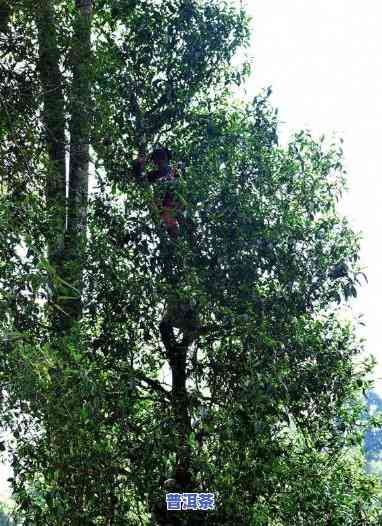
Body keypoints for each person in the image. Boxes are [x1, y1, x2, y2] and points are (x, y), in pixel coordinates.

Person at [132, 147, 182, 238]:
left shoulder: (172, 172)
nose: (155, 163)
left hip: (166, 195)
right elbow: (142, 179)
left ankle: (173, 231)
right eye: (155, 161)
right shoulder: (159, 173)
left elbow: (143, 180)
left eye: (173, 225)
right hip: (166, 195)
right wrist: (139, 164)